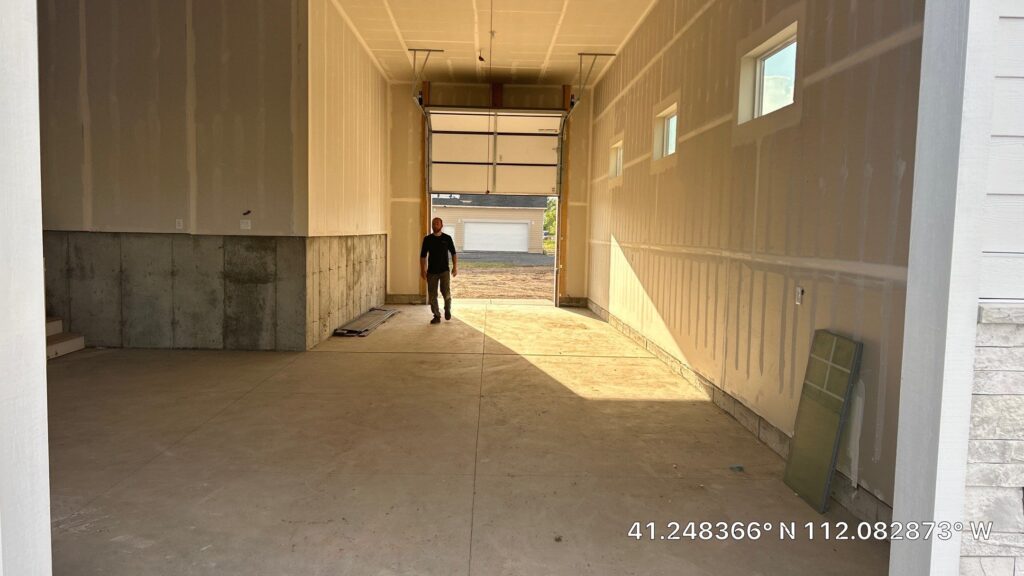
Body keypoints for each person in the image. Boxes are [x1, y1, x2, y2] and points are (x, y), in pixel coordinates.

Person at [420, 217, 458, 324]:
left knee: (446, 292)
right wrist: (423, 269)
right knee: (432, 295)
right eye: (433, 223)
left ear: (441, 225)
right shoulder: (427, 239)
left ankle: (447, 309)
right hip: (432, 272)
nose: (435, 225)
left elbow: (453, 253)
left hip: (444, 271)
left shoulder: (447, 238)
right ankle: (436, 315)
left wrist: (455, 267)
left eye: (437, 223)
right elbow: (423, 256)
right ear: (432, 226)